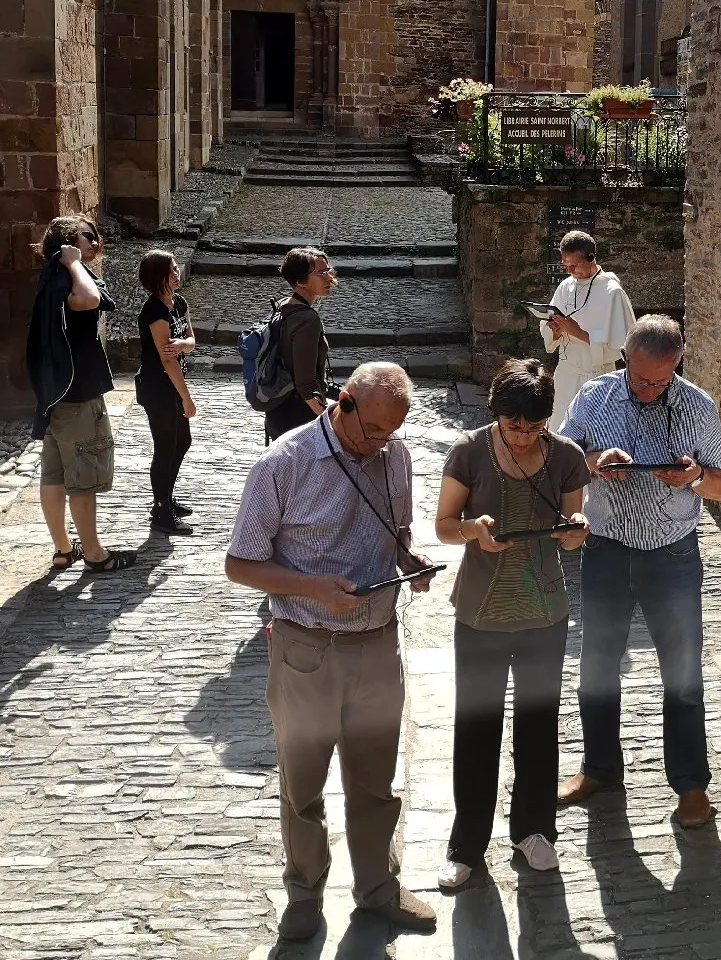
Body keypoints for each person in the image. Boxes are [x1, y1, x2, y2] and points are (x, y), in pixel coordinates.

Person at [225, 362, 438, 942]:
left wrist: (408, 564)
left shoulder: (394, 456)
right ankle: (304, 894)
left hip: (376, 645)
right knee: (303, 785)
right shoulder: (283, 465)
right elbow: (239, 564)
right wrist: (313, 587)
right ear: (341, 403)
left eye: (390, 433)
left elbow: (395, 535)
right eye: (370, 430)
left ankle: (376, 889)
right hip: (306, 649)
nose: (379, 444)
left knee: (374, 782)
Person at [555, 314, 721, 828]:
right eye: (640, 378)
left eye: (661, 380)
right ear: (626, 358)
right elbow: (563, 459)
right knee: (597, 667)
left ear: (678, 364)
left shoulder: (698, 406)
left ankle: (692, 786)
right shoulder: (596, 396)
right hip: (607, 549)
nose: (650, 389)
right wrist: (593, 460)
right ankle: (600, 769)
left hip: (671, 554)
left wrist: (695, 476)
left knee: (682, 674)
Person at [434, 359, 590, 889]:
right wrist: (473, 531)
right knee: (476, 728)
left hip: (544, 611)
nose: (523, 437)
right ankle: (466, 843)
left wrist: (575, 533)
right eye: (513, 425)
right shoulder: (470, 452)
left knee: (539, 726)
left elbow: (572, 528)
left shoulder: (566, 456)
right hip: (481, 611)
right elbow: (443, 526)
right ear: (497, 414)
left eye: (533, 427)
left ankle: (534, 831)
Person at [25, 215, 136, 574]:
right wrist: (74, 262)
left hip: (54, 395)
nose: (95, 242)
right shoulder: (70, 278)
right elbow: (89, 300)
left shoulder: (50, 278)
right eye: (88, 237)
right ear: (68, 242)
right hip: (77, 394)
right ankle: (95, 554)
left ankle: (62, 549)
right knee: (83, 479)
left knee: (53, 475)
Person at [540, 230, 635, 430]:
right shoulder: (565, 286)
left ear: (591, 258)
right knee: (558, 433)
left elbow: (622, 347)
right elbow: (549, 334)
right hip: (566, 375)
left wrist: (578, 332)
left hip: (596, 378)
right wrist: (556, 332)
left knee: (594, 437)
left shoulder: (612, 293)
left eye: (574, 265)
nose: (570, 270)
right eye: (565, 266)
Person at [135, 249, 197, 536]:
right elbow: (166, 359)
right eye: (171, 269)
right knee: (166, 446)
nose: (176, 273)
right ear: (158, 276)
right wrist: (186, 396)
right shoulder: (154, 311)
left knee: (181, 441)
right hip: (157, 386)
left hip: (171, 383)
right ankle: (161, 510)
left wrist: (183, 344)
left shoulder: (178, 301)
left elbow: (190, 339)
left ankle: (166, 497)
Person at [264, 246, 338, 442]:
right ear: (300, 281)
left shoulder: (283, 305)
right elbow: (305, 385)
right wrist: (330, 423)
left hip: (278, 411)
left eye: (328, 270)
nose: (329, 277)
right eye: (321, 273)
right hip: (300, 419)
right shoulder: (307, 320)